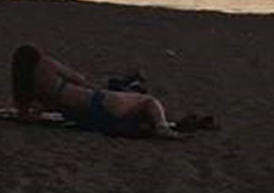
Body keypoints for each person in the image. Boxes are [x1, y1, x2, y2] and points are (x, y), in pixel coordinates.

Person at [10, 44, 177, 138]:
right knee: (147, 100)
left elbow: (26, 116)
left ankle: (146, 119)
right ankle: (161, 126)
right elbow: (78, 78)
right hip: (96, 102)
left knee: (131, 105)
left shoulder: (25, 88)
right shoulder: (45, 64)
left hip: (81, 116)